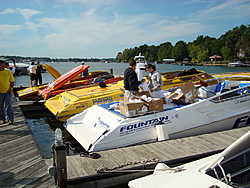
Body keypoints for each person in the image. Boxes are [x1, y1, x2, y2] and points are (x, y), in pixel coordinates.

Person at [0, 60, 15, 125]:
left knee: (8, 105)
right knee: (0, 106)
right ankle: (2, 119)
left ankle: (10, 118)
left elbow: (12, 81)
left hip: (7, 91)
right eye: (1, 66)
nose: (2, 67)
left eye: (3, 66)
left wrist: (11, 88)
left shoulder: (8, 72)